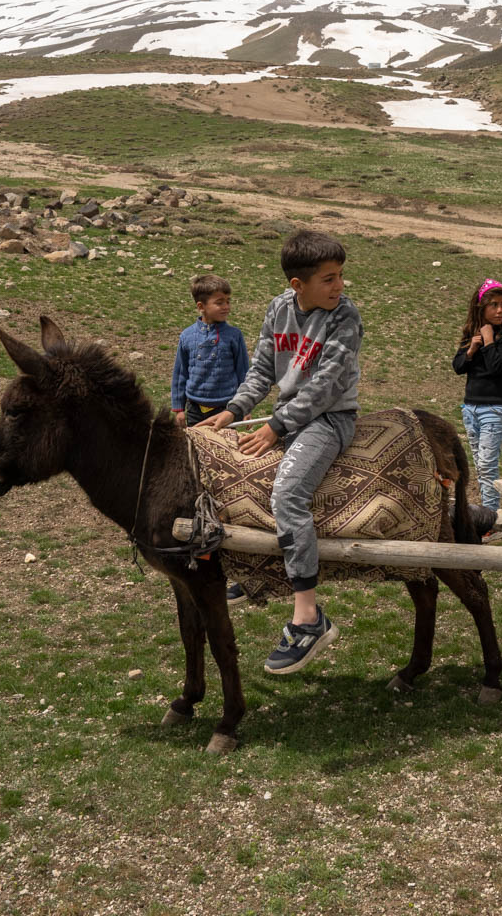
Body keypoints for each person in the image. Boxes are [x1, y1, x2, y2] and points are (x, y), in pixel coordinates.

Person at [202, 229, 363, 676]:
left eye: (340, 276)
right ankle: (255, 573)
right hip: (288, 415)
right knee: (231, 473)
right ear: (298, 285)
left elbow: (327, 384)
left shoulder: (344, 316)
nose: (339, 286)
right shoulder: (279, 309)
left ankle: (309, 619)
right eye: (329, 279)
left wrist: (276, 427)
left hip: (330, 418)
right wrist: (232, 411)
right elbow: (261, 371)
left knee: (288, 493)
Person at [452, 278, 502, 516]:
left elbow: (495, 368)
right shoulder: (471, 334)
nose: (500, 310)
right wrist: (471, 349)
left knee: (488, 466)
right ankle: (487, 513)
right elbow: (458, 367)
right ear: (482, 308)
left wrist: (489, 341)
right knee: (480, 465)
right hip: (470, 409)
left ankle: (490, 518)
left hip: (494, 409)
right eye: (494, 305)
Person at [171, 275, 249, 429]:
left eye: (228, 301)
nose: (226, 306)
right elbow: (180, 374)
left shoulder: (234, 335)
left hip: (225, 409)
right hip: (194, 408)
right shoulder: (187, 336)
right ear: (201, 306)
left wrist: (244, 406)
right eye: (219, 303)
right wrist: (179, 408)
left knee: (223, 448)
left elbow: (243, 372)